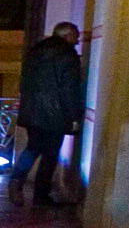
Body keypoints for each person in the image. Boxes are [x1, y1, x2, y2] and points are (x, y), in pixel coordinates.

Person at [12, 22, 84, 206]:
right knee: (51, 154)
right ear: (67, 35)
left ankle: (16, 180)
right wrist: (74, 116)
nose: (77, 41)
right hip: (55, 113)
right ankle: (41, 194)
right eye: (75, 36)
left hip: (32, 110)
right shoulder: (67, 56)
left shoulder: (36, 51)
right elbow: (69, 88)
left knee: (33, 147)